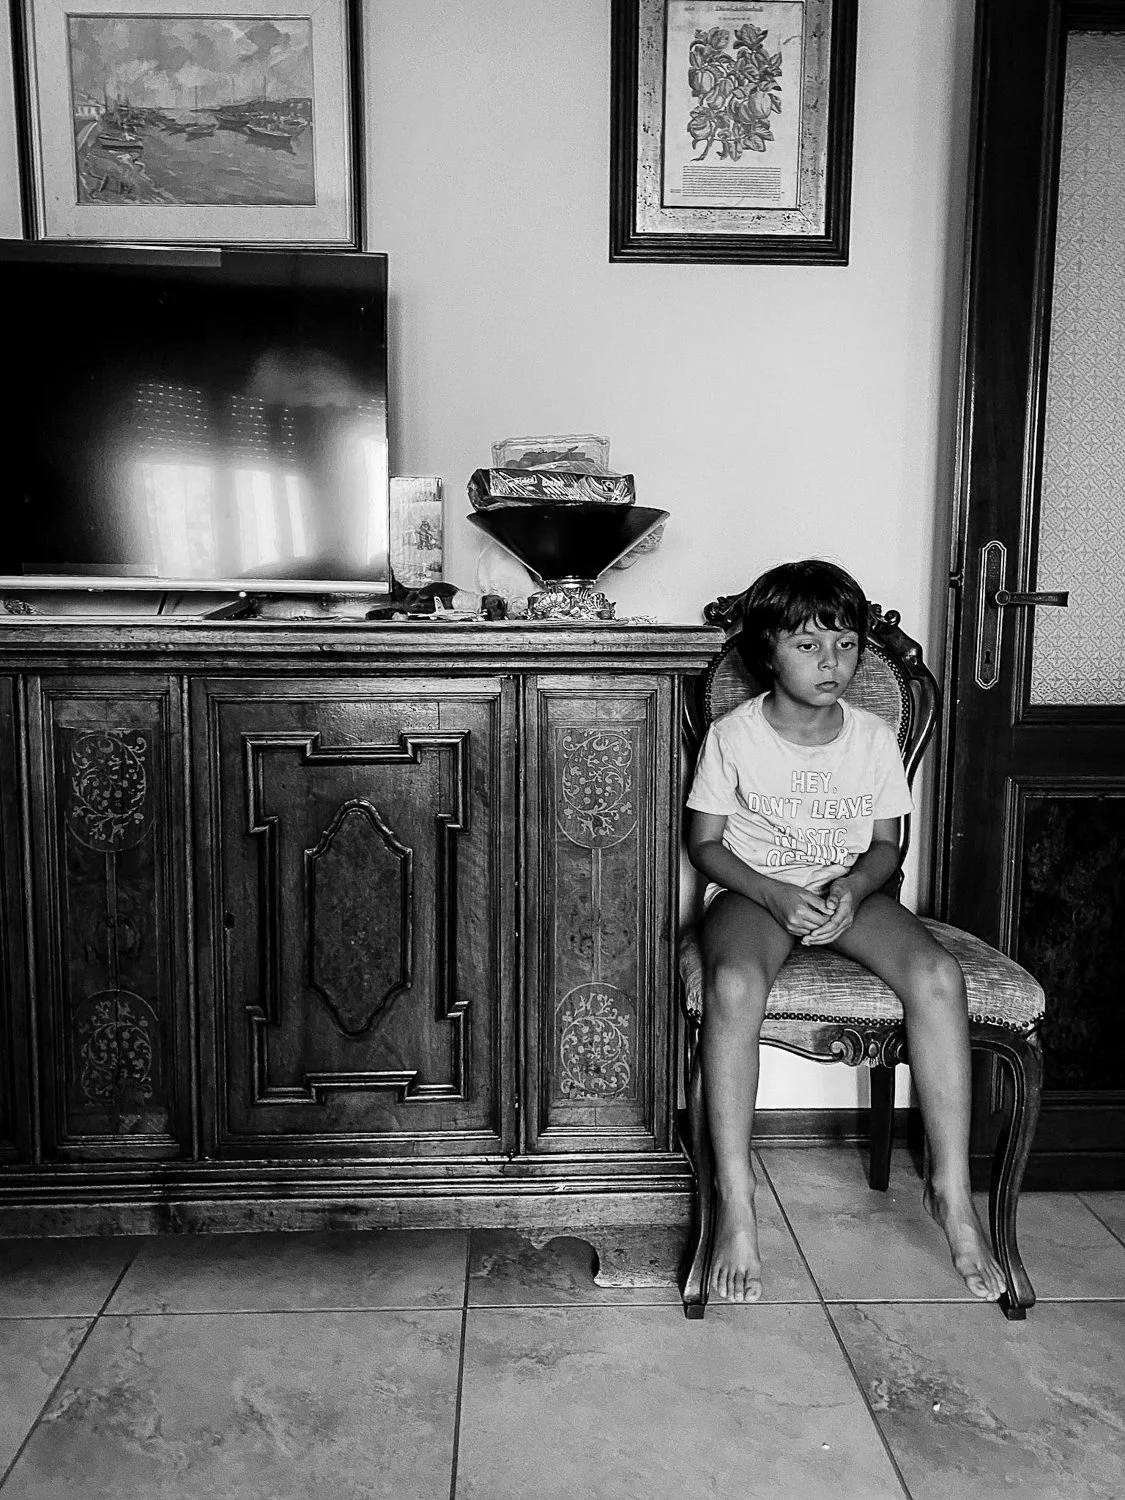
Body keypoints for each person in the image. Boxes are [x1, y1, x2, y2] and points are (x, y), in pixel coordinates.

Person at [686, 559, 1006, 1305]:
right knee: (733, 985)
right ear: (767, 651)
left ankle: (951, 1192)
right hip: (753, 892)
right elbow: (705, 845)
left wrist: (851, 888)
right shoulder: (734, 735)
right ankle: (736, 1202)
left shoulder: (869, 737)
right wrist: (771, 889)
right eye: (807, 646)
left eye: (846, 644)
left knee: (937, 977)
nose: (831, 663)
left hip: (848, 890)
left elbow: (887, 845)